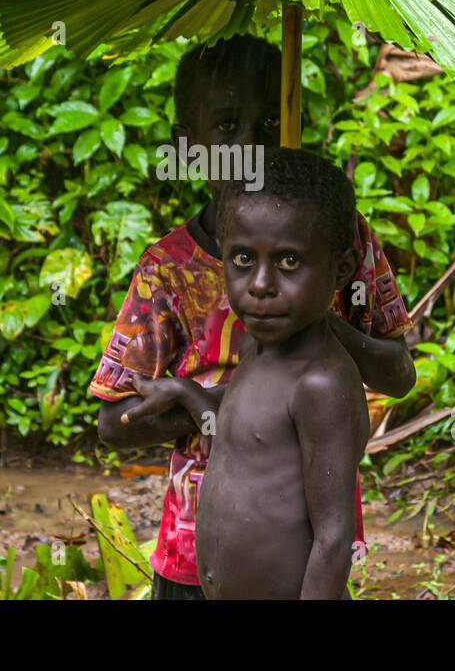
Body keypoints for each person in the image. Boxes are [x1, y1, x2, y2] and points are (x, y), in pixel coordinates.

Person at [88, 34, 415, 600]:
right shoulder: (167, 269)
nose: (248, 148)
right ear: (188, 145)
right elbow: (112, 423)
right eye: (227, 126)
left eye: (269, 126)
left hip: (292, 550)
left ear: (296, 129)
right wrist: (203, 406)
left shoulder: (345, 242)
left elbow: (398, 374)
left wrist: (321, 326)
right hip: (195, 542)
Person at [197, 147, 368, 599]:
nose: (260, 284)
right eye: (242, 259)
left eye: (289, 262)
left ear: (341, 269)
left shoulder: (321, 383)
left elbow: (333, 542)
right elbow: (244, 437)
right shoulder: (259, 349)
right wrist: (181, 392)